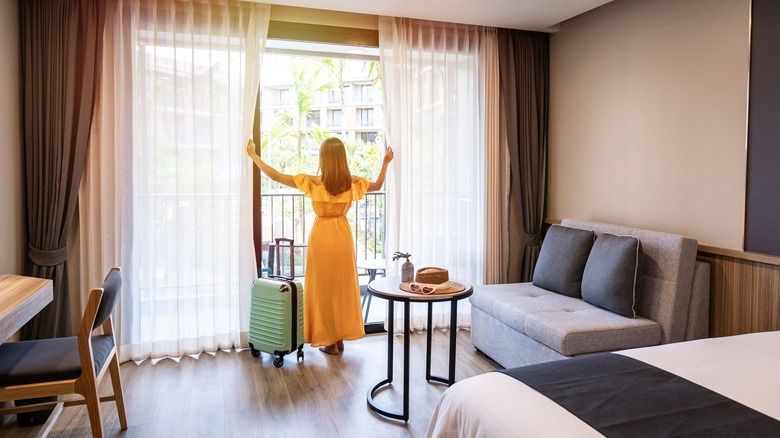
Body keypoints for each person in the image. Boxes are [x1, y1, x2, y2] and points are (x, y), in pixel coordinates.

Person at [247, 137, 394, 355]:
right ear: (342, 158)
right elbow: (378, 184)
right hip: (343, 237)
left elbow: (276, 175)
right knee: (341, 289)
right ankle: (339, 338)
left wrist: (253, 156)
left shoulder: (315, 182)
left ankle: (330, 342)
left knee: (323, 291)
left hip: (322, 237)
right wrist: (385, 162)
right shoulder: (351, 182)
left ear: (323, 159)